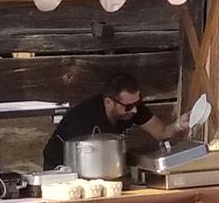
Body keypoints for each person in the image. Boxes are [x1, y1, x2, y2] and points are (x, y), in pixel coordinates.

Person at [42, 70, 173, 169]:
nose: (134, 110)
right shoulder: (83, 119)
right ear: (109, 102)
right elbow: (85, 164)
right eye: (128, 107)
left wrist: (180, 125)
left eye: (137, 103)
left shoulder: (132, 105)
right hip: (63, 167)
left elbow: (161, 132)